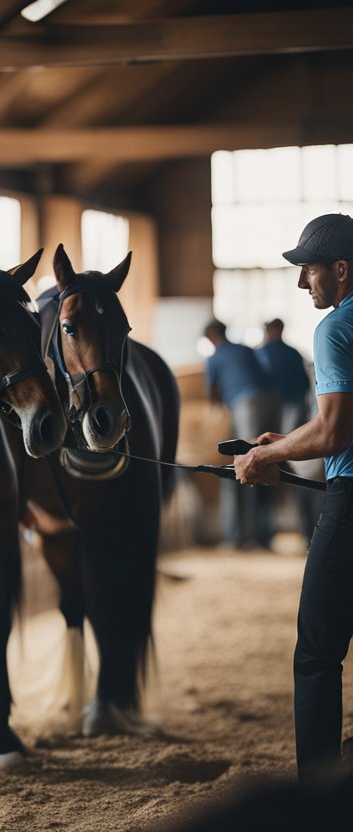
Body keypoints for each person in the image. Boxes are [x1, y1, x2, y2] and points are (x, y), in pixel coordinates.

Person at [234, 212, 353, 779]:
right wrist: (289, 443)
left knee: (317, 654)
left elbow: (334, 433)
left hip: (350, 502)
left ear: (340, 269)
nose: (303, 282)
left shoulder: (335, 329)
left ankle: (319, 788)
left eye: (307, 269)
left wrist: (265, 457)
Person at [203, 319, 280, 549]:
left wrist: (217, 415)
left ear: (210, 335)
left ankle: (241, 537)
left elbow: (213, 395)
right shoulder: (245, 349)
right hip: (272, 401)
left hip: (247, 405)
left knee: (248, 466)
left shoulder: (215, 357)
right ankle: (263, 534)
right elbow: (266, 373)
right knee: (267, 463)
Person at [257, 318, 321, 532]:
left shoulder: (263, 353)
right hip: (291, 411)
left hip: (277, 411)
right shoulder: (293, 353)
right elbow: (306, 386)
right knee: (294, 464)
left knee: (272, 461)